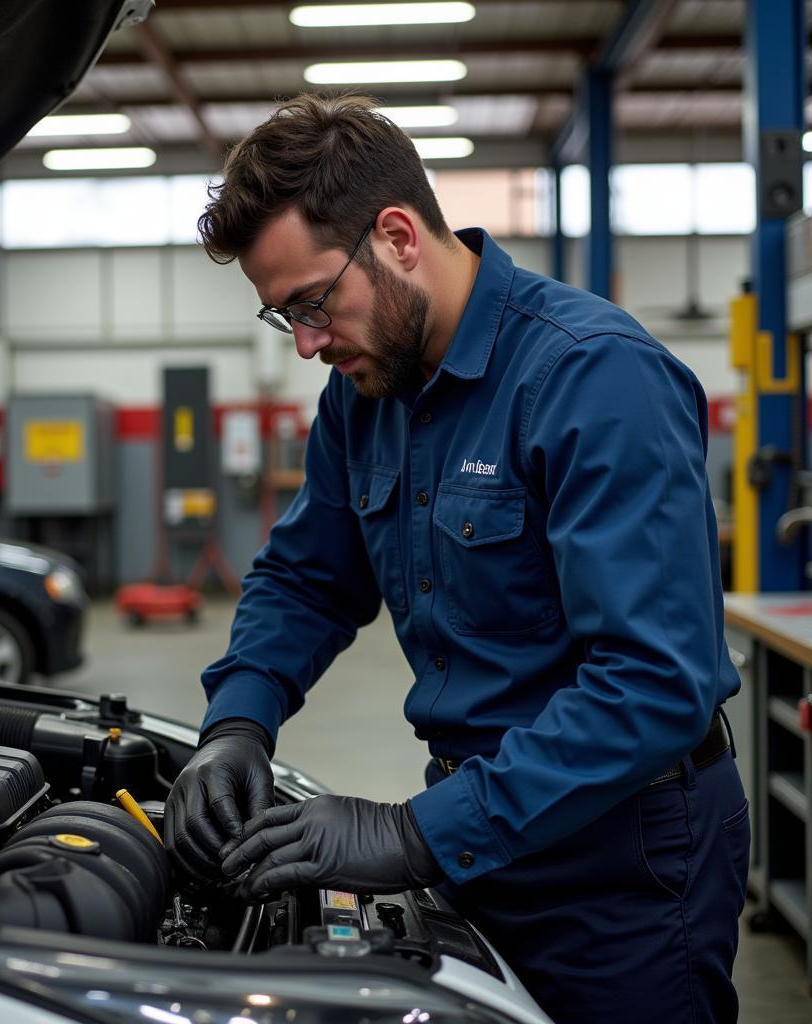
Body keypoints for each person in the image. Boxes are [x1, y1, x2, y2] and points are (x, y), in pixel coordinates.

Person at [163, 94, 749, 1024]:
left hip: (624, 860)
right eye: (285, 319)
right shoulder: (367, 392)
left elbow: (652, 685)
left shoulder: (592, 378)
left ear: (397, 236)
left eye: (313, 303)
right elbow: (308, 576)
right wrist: (238, 722)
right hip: (484, 833)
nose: (309, 344)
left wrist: (411, 834)